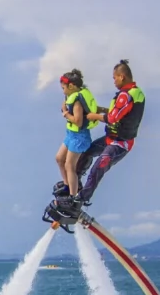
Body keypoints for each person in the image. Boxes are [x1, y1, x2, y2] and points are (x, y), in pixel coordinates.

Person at [56, 59, 145, 216]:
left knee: (99, 166)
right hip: (110, 138)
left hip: (120, 143)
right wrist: (100, 109)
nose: (114, 81)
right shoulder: (128, 94)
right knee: (86, 153)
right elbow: (114, 111)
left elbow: (112, 118)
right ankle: (75, 187)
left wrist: (93, 115)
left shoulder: (127, 95)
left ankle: (80, 200)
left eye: (114, 78)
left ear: (122, 77)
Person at [53, 69, 98, 198]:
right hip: (71, 135)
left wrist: (66, 113)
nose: (63, 91)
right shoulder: (71, 97)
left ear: (71, 86)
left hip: (79, 137)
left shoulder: (77, 102)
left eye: (64, 88)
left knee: (69, 165)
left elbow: (78, 122)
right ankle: (68, 185)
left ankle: (73, 195)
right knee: (59, 159)